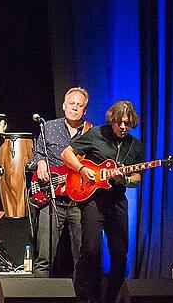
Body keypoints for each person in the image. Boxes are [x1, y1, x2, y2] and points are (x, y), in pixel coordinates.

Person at [61, 100, 144, 303]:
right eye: (119, 122)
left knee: (119, 255)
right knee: (90, 250)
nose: (123, 127)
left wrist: (123, 179)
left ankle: (110, 299)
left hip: (117, 201)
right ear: (112, 120)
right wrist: (82, 169)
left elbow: (136, 178)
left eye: (127, 123)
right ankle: (82, 298)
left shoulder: (135, 146)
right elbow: (66, 153)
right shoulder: (96, 134)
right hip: (93, 200)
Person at [32, 87, 91, 277]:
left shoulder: (92, 133)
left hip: (79, 202)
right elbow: (38, 153)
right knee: (43, 258)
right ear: (64, 106)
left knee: (82, 257)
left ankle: (81, 297)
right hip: (51, 200)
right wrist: (40, 162)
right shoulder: (48, 127)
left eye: (79, 105)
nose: (74, 108)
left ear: (85, 110)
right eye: (71, 104)